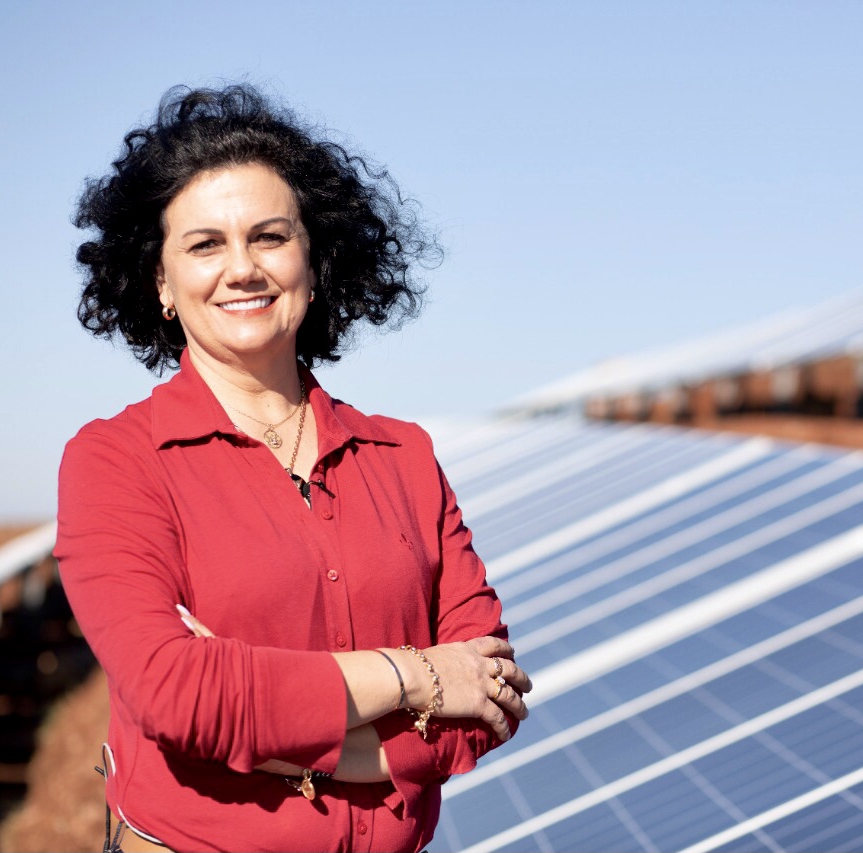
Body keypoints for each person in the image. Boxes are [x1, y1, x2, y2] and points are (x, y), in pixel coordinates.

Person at [55, 84, 531, 853]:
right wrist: (416, 675)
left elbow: (492, 695)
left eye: (269, 237)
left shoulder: (404, 456)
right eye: (205, 245)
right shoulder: (117, 462)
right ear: (161, 282)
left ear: (313, 259)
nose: (242, 268)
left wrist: (280, 730)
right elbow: (178, 695)